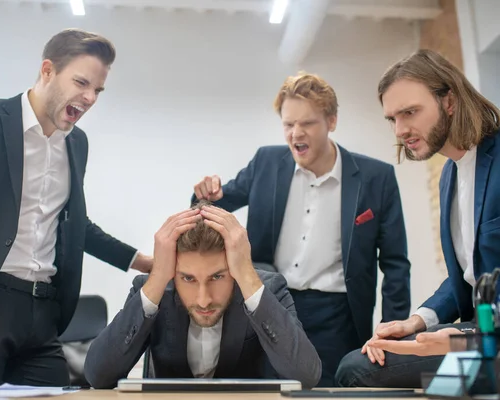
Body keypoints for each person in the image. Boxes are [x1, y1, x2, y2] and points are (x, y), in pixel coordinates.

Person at [0, 28, 152, 386]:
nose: (90, 97)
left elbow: (75, 225)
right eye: (81, 82)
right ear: (47, 70)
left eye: (97, 89)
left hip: (42, 315)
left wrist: (142, 262)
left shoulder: (76, 143)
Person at [192, 72, 411, 386]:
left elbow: (395, 265)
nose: (296, 134)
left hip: (338, 316)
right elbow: (210, 208)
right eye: (288, 124)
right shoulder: (266, 162)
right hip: (270, 305)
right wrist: (203, 195)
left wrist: (393, 335)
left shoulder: (376, 178)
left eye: (307, 123)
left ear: (331, 121)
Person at [335, 49, 500, 388]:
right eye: (392, 119)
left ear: (449, 101)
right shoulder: (449, 177)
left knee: (357, 372)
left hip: (487, 338)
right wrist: (417, 322)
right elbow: (470, 278)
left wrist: (460, 342)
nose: (400, 130)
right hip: (477, 332)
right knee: (368, 361)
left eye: (409, 112)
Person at [83, 201, 322, 389]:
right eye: (188, 278)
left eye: (217, 277)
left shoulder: (267, 288)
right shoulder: (155, 289)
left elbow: (306, 375)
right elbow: (98, 376)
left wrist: (247, 275)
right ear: (173, 273)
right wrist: (157, 278)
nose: (203, 299)